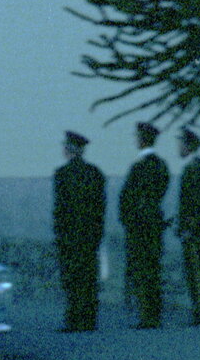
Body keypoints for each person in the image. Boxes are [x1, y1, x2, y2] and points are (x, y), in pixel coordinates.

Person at [51, 132, 107, 332]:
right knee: (89, 277)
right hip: (89, 235)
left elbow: (60, 209)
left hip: (69, 236)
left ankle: (74, 319)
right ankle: (89, 319)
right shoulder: (95, 173)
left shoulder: (62, 174)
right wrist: (97, 233)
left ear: (69, 149)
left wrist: (59, 234)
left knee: (72, 278)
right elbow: (101, 207)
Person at [117, 121, 170, 329]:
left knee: (142, 269)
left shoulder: (140, 165)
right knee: (152, 269)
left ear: (142, 139)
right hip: (153, 223)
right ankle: (151, 313)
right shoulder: (161, 164)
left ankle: (147, 315)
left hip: (139, 225)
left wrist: (127, 217)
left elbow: (129, 196)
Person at [175, 129, 200, 326]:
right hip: (198, 229)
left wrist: (189, 227)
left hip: (196, 231)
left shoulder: (195, 169)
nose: (179, 148)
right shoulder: (196, 167)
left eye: (181, 144)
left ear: (188, 146)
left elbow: (197, 204)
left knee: (198, 272)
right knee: (197, 272)